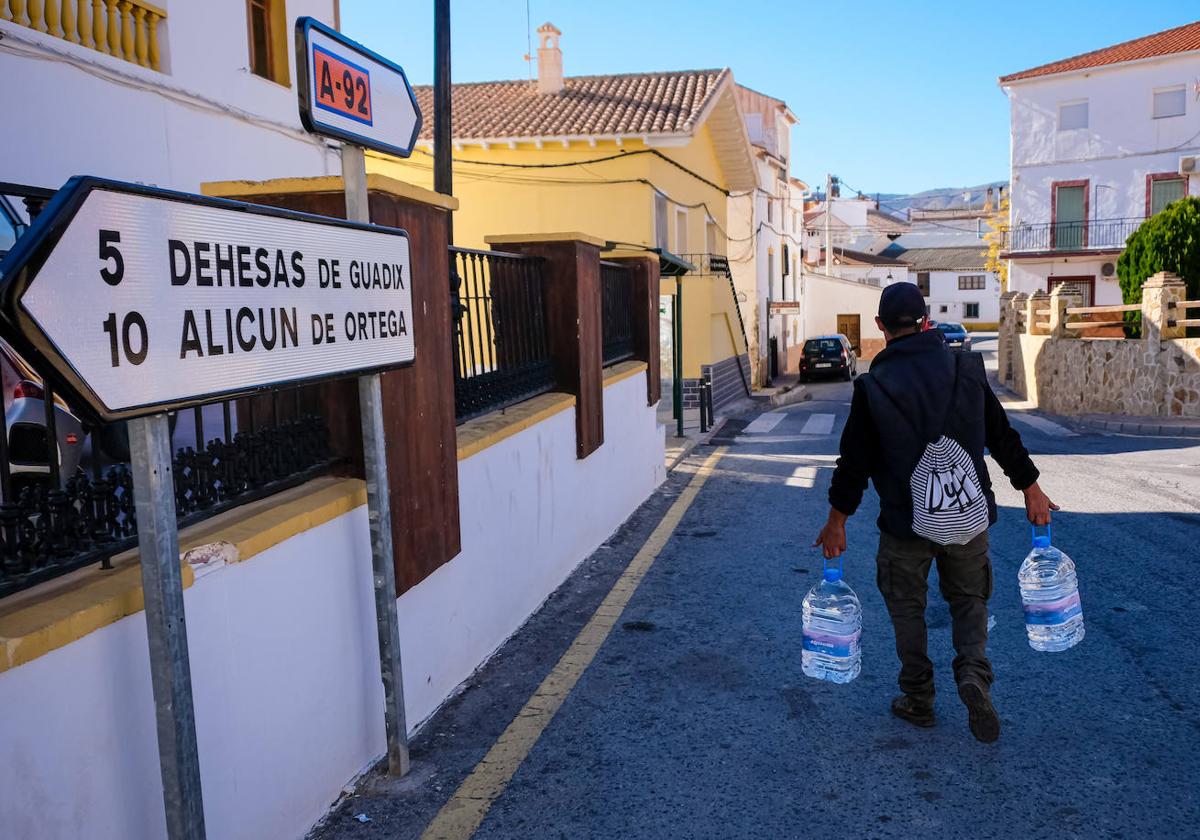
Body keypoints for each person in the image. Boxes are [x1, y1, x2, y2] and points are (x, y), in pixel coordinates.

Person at [812, 282, 1057, 743]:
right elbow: (1001, 434)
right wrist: (1031, 488)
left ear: (881, 326)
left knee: (907, 606)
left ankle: (919, 697)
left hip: (905, 523)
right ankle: (974, 674)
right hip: (967, 514)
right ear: (926, 321)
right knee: (969, 599)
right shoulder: (965, 367)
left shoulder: (873, 386)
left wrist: (836, 522)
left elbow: (854, 464)